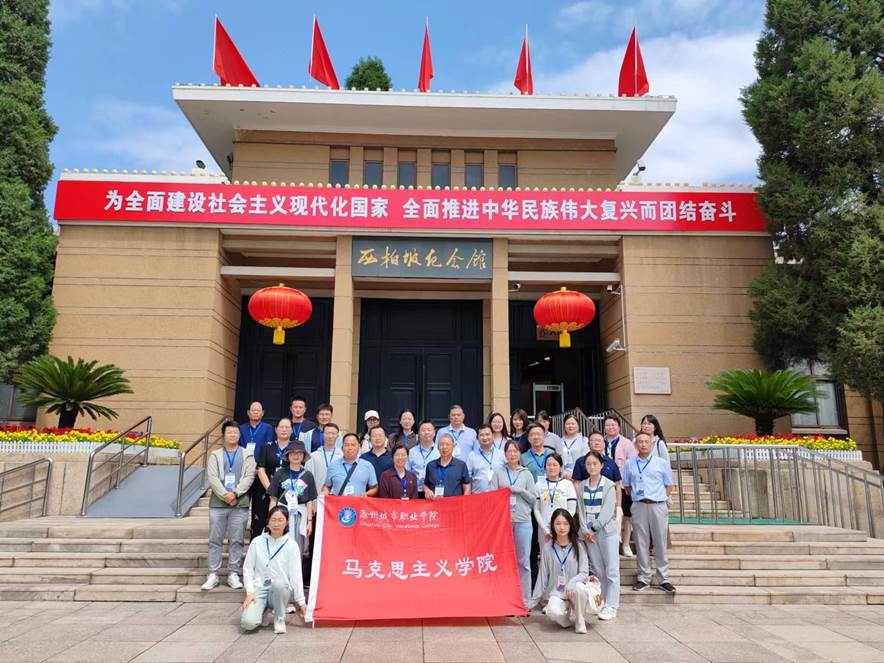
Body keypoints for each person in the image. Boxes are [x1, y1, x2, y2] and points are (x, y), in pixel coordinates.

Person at [202, 420, 256, 591]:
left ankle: (233, 573)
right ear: (223, 435)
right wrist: (225, 495)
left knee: (237, 540)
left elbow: (249, 476)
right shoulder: (215, 455)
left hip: (239, 504)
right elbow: (212, 477)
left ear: (240, 435)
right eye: (229, 432)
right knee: (215, 540)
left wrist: (236, 493)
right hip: (218, 504)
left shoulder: (247, 454)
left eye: (235, 432)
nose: (233, 435)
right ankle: (213, 574)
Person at [241, 506, 307, 634]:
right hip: (260, 588)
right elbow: (248, 569)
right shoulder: (257, 542)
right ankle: (262, 611)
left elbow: (296, 575)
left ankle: (279, 619)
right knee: (248, 623)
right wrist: (250, 592)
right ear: (268, 522)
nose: (276, 524)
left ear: (287, 522)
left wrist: (301, 602)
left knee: (279, 584)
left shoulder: (291, 545)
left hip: (280, 590)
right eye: (273, 520)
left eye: (280, 520)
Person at [623, 432, 675, 593]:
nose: (643, 444)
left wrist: (659, 498)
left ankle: (663, 578)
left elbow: (669, 485)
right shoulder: (630, 463)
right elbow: (627, 487)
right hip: (639, 505)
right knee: (641, 542)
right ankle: (643, 577)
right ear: (636, 445)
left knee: (660, 542)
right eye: (640, 442)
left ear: (651, 444)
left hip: (657, 505)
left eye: (646, 441)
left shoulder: (661, 463)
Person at [528, 509, 593, 634]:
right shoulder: (547, 548)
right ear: (552, 526)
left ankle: (580, 620)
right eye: (558, 523)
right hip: (557, 593)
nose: (562, 527)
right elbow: (542, 577)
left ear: (570, 525)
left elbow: (584, 572)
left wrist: (571, 584)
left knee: (580, 587)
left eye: (565, 523)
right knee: (552, 611)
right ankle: (566, 620)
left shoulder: (579, 546)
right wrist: (531, 603)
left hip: (575, 592)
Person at [576, 451, 620, 621]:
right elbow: (580, 510)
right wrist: (585, 530)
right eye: (588, 464)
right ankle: (602, 601)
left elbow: (608, 510)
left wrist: (594, 528)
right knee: (599, 570)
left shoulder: (609, 485)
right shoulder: (582, 486)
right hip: (589, 534)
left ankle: (612, 605)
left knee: (611, 569)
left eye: (595, 463)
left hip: (606, 532)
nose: (592, 467)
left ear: (601, 465)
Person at [491, 440, 535, 607]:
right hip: (504, 523)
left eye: (515, 451)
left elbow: (533, 499)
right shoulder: (498, 472)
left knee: (523, 561)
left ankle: (525, 599)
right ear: (505, 454)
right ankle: (506, 597)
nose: (512, 454)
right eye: (509, 451)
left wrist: (520, 490)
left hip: (523, 522)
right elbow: (492, 497)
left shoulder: (526, 474)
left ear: (519, 453)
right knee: (504, 561)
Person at [267, 440, 316, 558]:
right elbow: (273, 498)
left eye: (299, 453)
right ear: (288, 455)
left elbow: (309, 500)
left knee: (298, 548)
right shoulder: (280, 473)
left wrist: (309, 522)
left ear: (303, 456)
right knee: (280, 544)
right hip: (282, 514)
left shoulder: (308, 475)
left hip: (300, 514)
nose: (296, 455)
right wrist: (270, 519)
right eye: (293, 453)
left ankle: (297, 569)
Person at [572, 431, 623, 538]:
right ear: (588, 444)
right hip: (587, 506)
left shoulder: (610, 462)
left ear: (604, 443)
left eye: (599, 440)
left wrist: (618, 506)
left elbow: (617, 485)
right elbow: (576, 483)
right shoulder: (581, 462)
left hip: (607, 506)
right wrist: (580, 501)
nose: (596, 443)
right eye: (593, 440)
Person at [251, 418, 294, 540]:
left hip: (287, 493)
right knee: (261, 522)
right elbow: (261, 469)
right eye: (281, 427)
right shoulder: (267, 446)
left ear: (292, 430)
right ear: (276, 429)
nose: (284, 430)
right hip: (266, 491)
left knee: (284, 523)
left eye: (287, 427)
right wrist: (271, 490)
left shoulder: (295, 448)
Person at [604, 416, 637, 558]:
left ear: (618, 427)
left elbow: (632, 464)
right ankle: (611, 545)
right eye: (608, 425)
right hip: (605, 486)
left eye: (613, 425)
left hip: (623, 485)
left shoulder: (626, 443)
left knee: (626, 516)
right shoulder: (601, 441)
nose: (610, 427)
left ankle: (625, 544)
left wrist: (630, 484)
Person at [533, 453, 578, 552]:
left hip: (563, 528)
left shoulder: (568, 484)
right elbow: (536, 509)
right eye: (549, 465)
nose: (551, 467)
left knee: (562, 554)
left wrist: (561, 524)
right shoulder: (539, 485)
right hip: (544, 529)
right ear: (545, 467)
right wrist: (545, 528)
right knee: (545, 555)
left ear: (561, 467)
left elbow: (572, 509)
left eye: (555, 465)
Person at [423, 433, 472, 499]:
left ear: (453, 446)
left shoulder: (461, 465)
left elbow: (467, 487)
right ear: (438, 447)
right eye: (441, 445)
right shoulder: (430, 465)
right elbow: (426, 484)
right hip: (435, 503)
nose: (444, 447)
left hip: (456, 503)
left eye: (447, 444)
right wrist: (427, 491)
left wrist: (464, 501)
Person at [304, 422, 341, 499]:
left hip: (338, 498)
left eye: (333, 434)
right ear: (322, 435)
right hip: (317, 496)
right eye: (327, 433)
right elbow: (307, 479)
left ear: (337, 436)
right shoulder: (313, 456)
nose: (330, 436)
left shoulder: (342, 456)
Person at [467, 424, 505, 494]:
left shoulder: (502, 454)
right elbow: (468, 479)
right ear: (477, 438)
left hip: (498, 496)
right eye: (481, 435)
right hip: (478, 497)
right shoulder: (471, 456)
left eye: (487, 434)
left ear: (493, 436)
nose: (485, 438)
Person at [407, 419, 439, 487]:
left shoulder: (439, 451)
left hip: (434, 489)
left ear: (434, 433)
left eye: (429, 430)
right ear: (418, 433)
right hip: (415, 489)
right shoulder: (412, 452)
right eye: (423, 430)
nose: (426, 432)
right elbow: (406, 471)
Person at [557, 414, 589, 480]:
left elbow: (586, 459)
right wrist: (564, 474)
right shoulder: (560, 441)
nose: (570, 426)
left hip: (580, 476)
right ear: (564, 426)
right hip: (563, 477)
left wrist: (575, 474)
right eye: (568, 424)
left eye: (573, 424)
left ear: (578, 425)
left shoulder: (584, 440)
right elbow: (558, 460)